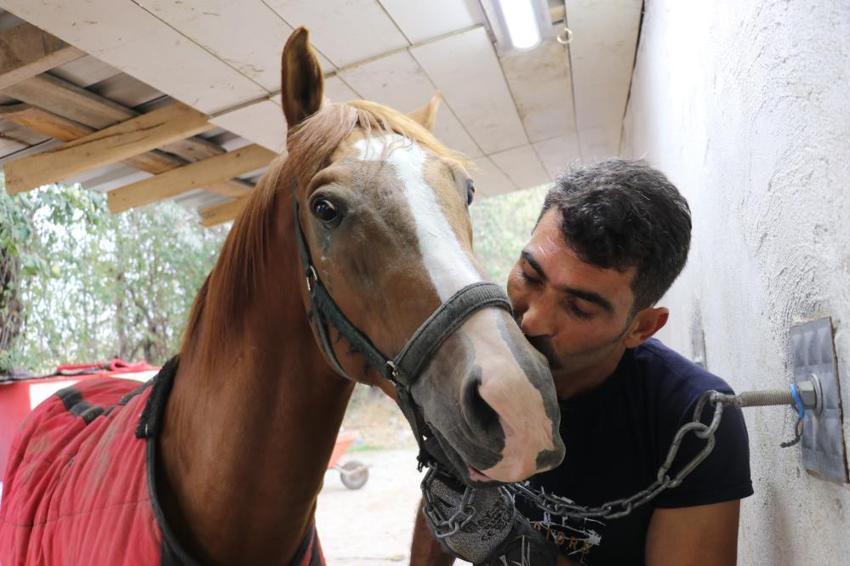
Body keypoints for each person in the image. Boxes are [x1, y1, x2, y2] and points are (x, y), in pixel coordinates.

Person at [410, 159, 752, 566]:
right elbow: (443, 510)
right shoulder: (478, 363)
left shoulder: (691, 419)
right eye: (530, 277)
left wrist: (527, 555)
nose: (533, 319)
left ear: (641, 327)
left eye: (579, 307)